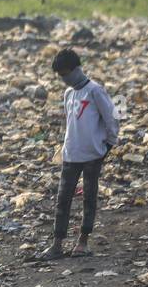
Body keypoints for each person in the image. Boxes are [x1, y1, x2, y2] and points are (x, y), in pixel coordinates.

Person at [42, 48, 118, 259]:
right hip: (71, 153)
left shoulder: (95, 91)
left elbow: (111, 119)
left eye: (65, 73)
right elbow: (70, 122)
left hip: (93, 153)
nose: (64, 79)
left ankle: (82, 242)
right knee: (62, 199)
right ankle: (57, 243)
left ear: (76, 69)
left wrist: (109, 144)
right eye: (60, 76)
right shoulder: (69, 93)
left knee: (89, 197)